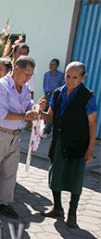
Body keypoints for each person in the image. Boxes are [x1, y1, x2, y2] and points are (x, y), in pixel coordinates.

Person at [0, 56, 46, 218]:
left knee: (9, 173)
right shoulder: (0, 87)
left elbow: (28, 106)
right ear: (16, 69)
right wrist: (25, 116)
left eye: (31, 75)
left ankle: (3, 203)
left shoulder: (25, 88)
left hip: (14, 136)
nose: (28, 78)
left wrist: (36, 108)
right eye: (26, 74)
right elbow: (0, 114)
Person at [40, 62, 97, 228]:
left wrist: (90, 148)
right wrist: (38, 112)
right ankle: (57, 208)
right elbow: (50, 118)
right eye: (67, 76)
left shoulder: (87, 96)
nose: (70, 80)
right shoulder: (58, 93)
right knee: (55, 173)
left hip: (78, 143)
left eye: (75, 77)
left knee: (75, 177)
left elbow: (92, 123)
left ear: (82, 78)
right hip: (59, 141)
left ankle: (72, 214)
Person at [41, 58, 65, 138]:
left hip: (55, 96)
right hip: (46, 95)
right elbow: (44, 85)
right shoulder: (46, 74)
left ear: (57, 66)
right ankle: (40, 130)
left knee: (50, 114)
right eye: (50, 64)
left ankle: (47, 132)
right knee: (43, 112)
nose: (51, 66)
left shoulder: (61, 76)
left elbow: (63, 87)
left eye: (53, 64)